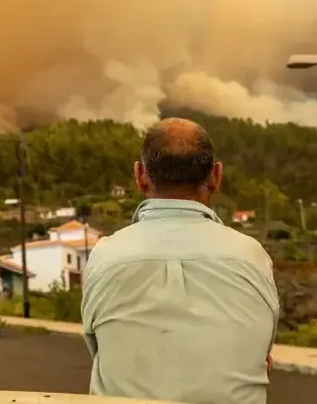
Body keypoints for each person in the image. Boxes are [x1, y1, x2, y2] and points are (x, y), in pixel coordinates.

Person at [82, 118, 280, 404]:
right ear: (215, 176)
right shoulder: (251, 255)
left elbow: (101, 347)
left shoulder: (105, 255)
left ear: (140, 176)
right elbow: (259, 354)